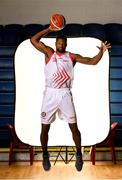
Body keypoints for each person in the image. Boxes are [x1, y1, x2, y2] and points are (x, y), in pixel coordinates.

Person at [30, 24, 111, 171]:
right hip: (50, 94)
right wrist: (50, 28)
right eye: (58, 43)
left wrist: (102, 52)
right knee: (44, 128)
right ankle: (45, 155)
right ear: (55, 44)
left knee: (74, 127)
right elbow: (33, 40)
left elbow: (92, 61)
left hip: (65, 94)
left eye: (63, 43)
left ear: (66, 45)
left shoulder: (71, 57)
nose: (60, 45)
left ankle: (79, 154)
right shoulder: (48, 53)